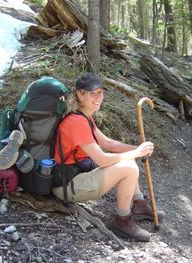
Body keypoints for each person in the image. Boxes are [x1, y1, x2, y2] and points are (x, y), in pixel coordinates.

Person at [53, 72, 165, 242]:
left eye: (100, 92)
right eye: (92, 93)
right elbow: (102, 160)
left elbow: (109, 144)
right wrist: (136, 153)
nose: (98, 97)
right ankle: (122, 221)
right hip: (67, 186)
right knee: (128, 167)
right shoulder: (76, 121)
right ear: (79, 94)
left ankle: (139, 205)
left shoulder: (84, 117)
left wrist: (138, 149)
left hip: (77, 176)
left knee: (127, 158)